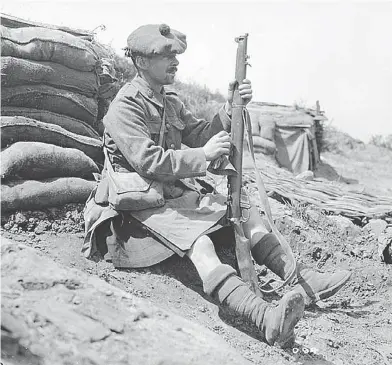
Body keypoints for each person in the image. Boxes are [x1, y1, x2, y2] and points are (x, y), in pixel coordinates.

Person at [83, 23, 351, 348]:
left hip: (170, 200)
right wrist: (203, 155)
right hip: (135, 211)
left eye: (175, 55)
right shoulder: (125, 106)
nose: (175, 62)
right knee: (202, 245)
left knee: (247, 213)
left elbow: (199, 133)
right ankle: (265, 319)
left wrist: (230, 107)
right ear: (140, 62)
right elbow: (148, 162)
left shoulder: (168, 101)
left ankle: (302, 279)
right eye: (165, 56)